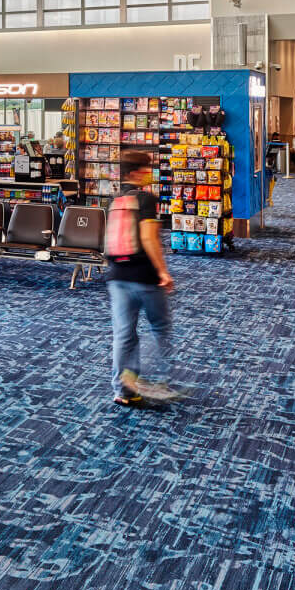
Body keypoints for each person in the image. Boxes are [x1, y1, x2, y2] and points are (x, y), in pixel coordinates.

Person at [105, 149, 184, 406]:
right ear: (138, 171)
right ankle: (155, 379)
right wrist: (163, 271)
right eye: (147, 168)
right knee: (160, 328)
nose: (150, 173)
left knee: (124, 334)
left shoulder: (114, 199)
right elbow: (149, 238)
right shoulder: (146, 199)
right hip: (144, 276)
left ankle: (123, 390)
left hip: (117, 275)